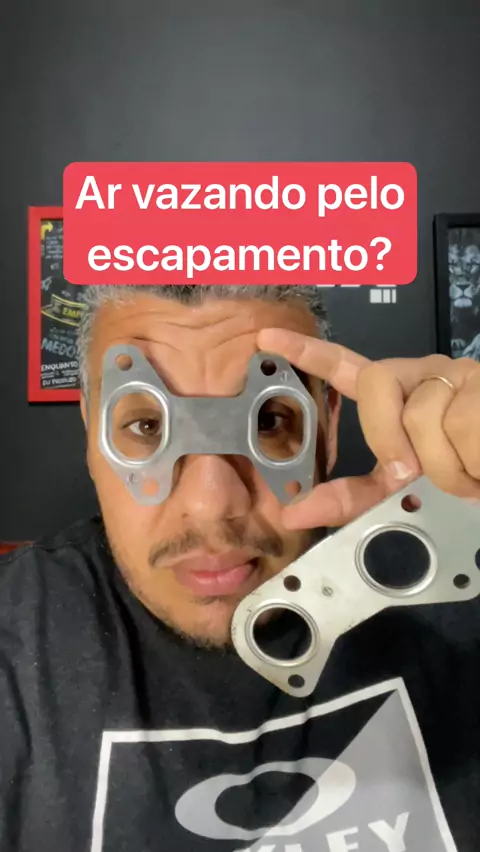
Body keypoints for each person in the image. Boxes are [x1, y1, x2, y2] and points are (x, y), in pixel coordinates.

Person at [1, 284, 479, 852]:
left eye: (269, 420)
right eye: (147, 426)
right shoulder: (15, 642)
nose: (212, 504)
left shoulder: (452, 591)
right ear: (92, 436)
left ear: (327, 429)